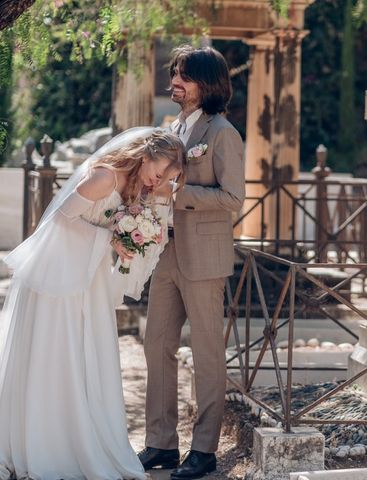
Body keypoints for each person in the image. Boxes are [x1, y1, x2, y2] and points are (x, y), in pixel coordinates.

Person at [0, 128, 186, 480]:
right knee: (59, 352)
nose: (159, 179)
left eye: (168, 177)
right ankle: (49, 443)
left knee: (89, 354)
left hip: (90, 275)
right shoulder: (104, 176)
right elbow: (59, 220)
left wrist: (155, 200)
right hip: (60, 277)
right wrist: (111, 239)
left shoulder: (136, 186)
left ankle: (84, 435)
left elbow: (149, 216)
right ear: (146, 154)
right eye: (160, 172)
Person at [137, 45, 245, 480]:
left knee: (205, 355)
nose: (174, 83)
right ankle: (160, 444)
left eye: (183, 76)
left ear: (207, 83)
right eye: (174, 74)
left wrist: (178, 195)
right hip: (166, 255)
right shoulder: (175, 127)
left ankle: (204, 451)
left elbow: (233, 197)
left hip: (204, 259)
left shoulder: (223, 133)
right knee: (155, 345)